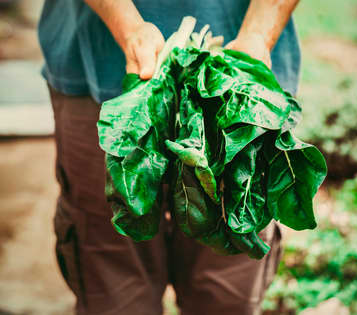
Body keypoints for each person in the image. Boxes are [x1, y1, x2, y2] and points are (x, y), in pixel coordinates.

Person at [38, 1, 301, 314]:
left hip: (242, 81)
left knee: (227, 285)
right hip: (103, 69)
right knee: (115, 288)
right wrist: (129, 29)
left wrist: (258, 33)